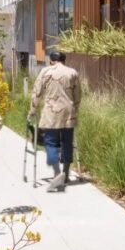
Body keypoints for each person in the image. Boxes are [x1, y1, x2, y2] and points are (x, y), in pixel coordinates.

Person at [27, 51, 82, 192]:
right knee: (67, 142)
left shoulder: (45, 71)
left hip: (51, 112)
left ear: (51, 60)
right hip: (68, 112)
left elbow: (37, 92)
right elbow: (78, 95)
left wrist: (33, 109)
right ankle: (66, 174)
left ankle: (57, 173)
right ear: (64, 60)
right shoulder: (72, 72)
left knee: (50, 142)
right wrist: (74, 108)